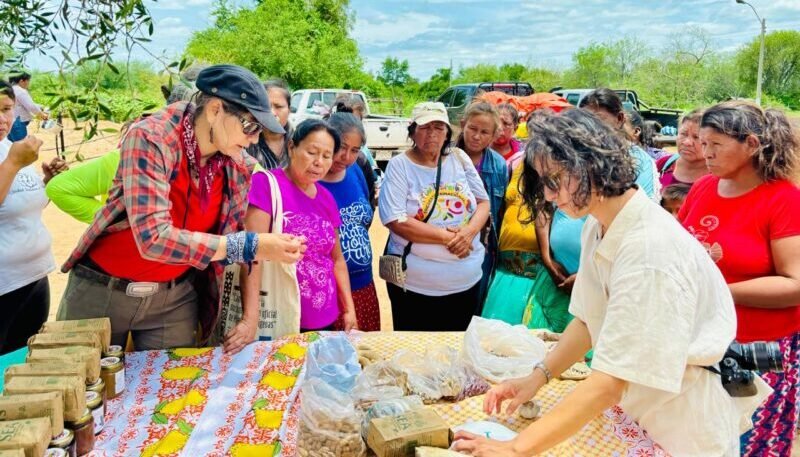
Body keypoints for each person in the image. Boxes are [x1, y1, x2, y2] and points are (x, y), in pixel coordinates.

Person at [452, 108, 760, 457]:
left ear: (590, 164)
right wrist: (536, 377)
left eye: (554, 181)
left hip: (681, 424)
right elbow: (587, 320)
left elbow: (610, 383)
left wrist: (516, 448)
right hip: (644, 409)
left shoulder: (648, 250)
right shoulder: (598, 225)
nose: (550, 197)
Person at [57, 64, 306, 351]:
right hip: (102, 292)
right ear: (215, 110)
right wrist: (247, 245)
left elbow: (249, 236)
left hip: (174, 300)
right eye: (250, 126)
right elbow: (154, 239)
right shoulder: (151, 138)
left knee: (173, 389)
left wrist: (273, 245)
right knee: (85, 388)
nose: (254, 139)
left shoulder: (238, 165)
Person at [679, 101, 800, 456]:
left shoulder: (783, 200)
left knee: (745, 442)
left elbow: (795, 283)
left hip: (757, 349)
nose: (706, 153)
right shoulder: (703, 189)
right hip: (702, 345)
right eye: (703, 143)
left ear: (751, 144)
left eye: (715, 144)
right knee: (698, 440)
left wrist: (719, 291)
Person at [238, 119, 358, 347]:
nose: (319, 162)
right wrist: (249, 318)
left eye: (326, 155)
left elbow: (337, 259)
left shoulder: (326, 198)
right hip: (279, 314)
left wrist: (348, 309)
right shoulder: (266, 184)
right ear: (292, 148)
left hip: (325, 316)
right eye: (312, 152)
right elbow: (251, 252)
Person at [378, 101, 490, 331]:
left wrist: (468, 233)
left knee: (456, 353)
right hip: (415, 289)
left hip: (466, 283)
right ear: (412, 131)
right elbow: (395, 220)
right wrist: (449, 238)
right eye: (425, 127)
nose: (432, 134)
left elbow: (483, 202)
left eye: (439, 127)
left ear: (448, 132)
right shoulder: (400, 165)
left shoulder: (459, 158)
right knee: (416, 356)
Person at [0, 80, 66, 354]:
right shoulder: (15, 155)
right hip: (4, 285)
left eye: (7, 109)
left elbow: (20, 203)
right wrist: (14, 164)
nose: (2, 118)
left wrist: (47, 182)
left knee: (25, 366)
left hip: (34, 277)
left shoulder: (10, 148)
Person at [481, 160, 571, 333]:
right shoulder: (517, 164)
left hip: (540, 278)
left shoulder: (567, 165)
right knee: (494, 342)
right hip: (505, 273)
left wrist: (547, 259)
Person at [319, 112, 380, 331]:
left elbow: (366, 215)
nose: (346, 157)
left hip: (364, 286)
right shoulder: (309, 179)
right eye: (341, 147)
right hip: (326, 293)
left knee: (364, 359)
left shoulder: (356, 171)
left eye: (355, 150)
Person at [455, 101, 508, 308]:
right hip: (446, 241)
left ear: (494, 135)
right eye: (473, 129)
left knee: (474, 306)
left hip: (482, 249)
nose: (477, 136)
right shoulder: (445, 157)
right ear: (463, 124)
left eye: (485, 132)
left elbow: (499, 211)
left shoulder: (499, 166)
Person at [578, 88, 659, 200]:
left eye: (599, 119)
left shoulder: (640, 161)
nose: (591, 126)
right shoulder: (574, 153)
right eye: (586, 120)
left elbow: (642, 208)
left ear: (620, 119)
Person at [656, 108, 709, 189]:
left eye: (696, 137)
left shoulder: (718, 177)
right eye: (683, 134)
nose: (687, 142)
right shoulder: (665, 164)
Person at [246, 80, 292, 170]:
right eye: (266, 107)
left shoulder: (300, 142)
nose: (272, 113)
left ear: (289, 110)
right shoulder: (245, 143)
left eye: (278, 107)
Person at [8, 72, 48, 142]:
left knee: (12, 147)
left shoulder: (10, 89)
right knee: (22, 147)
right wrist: (42, 114)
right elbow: (31, 106)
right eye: (28, 81)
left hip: (10, 122)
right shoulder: (20, 91)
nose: (28, 83)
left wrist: (41, 106)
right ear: (21, 81)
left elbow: (22, 104)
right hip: (17, 123)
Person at [492, 103, 524, 170]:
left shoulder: (523, 154)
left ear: (515, 128)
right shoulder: (480, 151)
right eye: (496, 122)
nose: (499, 128)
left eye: (506, 123)